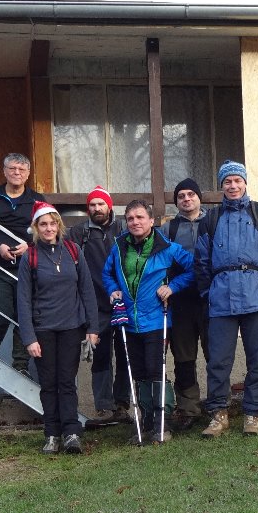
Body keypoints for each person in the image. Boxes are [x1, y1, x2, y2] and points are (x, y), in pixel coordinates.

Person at [195, 160, 258, 438]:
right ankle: (218, 414)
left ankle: (252, 413)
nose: (233, 186)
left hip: (256, 296)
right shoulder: (210, 219)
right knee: (218, 360)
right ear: (221, 186)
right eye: (227, 181)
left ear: (245, 183)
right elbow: (201, 260)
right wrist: (207, 293)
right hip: (221, 298)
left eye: (237, 180)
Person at [102, 200, 195, 444]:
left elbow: (193, 269)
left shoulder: (168, 248)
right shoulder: (119, 247)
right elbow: (107, 273)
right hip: (128, 321)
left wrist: (173, 287)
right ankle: (145, 422)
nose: (135, 222)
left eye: (140, 217)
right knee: (138, 372)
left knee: (155, 371)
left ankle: (163, 422)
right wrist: (112, 289)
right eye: (130, 218)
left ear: (151, 221)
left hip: (155, 320)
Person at [17, 201, 99, 454]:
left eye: (53, 223)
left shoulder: (73, 251)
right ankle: (52, 434)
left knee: (67, 382)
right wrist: (29, 337)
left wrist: (92, 328)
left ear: (59, 226)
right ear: (36, 227)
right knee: (49, 384)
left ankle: (72, 433)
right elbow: (23, 300)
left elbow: (87, 290)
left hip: (71, 328)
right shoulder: (30, 256)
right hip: (43, 330)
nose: (49, 228)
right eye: (43, 224)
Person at [65, 186, 130, 425]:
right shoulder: (78, 233)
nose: (96, 208)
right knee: (101, 357)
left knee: (125, 354)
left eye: (101, 204)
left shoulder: (123, 229)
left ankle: (122, 404)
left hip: (123, 302)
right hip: (95, 306)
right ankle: (104, 406)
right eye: (92, 205)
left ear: (109, 206)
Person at [0, 154, 43, 375]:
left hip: (27, 267)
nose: (17, 173)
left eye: (22, 169)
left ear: (28, 173)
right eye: (12, 168)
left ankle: (20, 365)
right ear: (4, 171)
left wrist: (29, 245)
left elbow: (49, 229)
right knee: (0, 313)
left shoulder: (36, 200)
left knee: (23, 316)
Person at [164, 178, 210, 430]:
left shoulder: (213, 222)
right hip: (180, 302)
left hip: (212, 300)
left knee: (216, 355)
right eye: (181, 196)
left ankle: (218, 405)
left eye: (191, 194)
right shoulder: (168, 229)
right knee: (183, 359)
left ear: (199, 197)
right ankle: (189, 408)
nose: (186, 199)